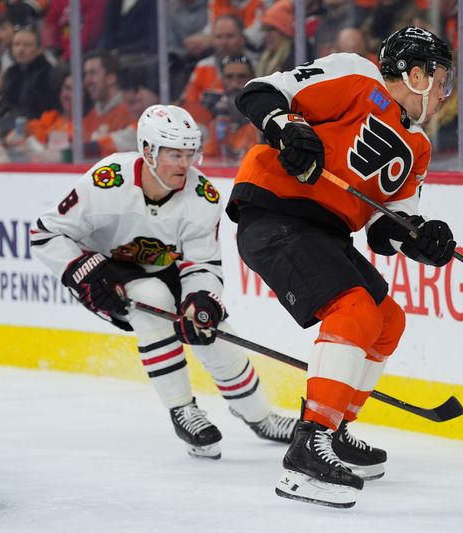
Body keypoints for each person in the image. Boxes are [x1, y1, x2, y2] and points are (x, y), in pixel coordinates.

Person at [227, 25, 456, 508]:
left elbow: (383, 229)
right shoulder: (357, 76)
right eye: (440, 80)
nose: (443, 93)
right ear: (415, 75)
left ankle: (334, 429)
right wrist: (289, 128)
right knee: (353, 309)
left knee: (387, 319)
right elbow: (259, 92)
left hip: (322, 231)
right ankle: (307, 449)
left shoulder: (418, 149)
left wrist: (421, 239)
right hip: (274, 211)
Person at [30, 104, 297, 461]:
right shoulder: (106, 180)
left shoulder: (203, 196)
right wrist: (81, 270)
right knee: (153, 303)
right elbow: (45, 232)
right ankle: (182, 409)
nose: (185, 164)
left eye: (190, 153)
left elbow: (202, 263)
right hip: (108, 272)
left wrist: (201, 300)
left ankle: (260, 417)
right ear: (147, 151)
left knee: (213, 332)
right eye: (174, 154)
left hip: (166, 268)